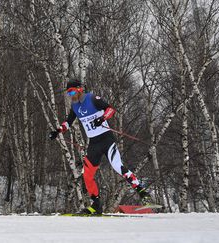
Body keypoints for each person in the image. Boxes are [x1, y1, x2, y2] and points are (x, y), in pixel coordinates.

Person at [49, 79, 151, 215]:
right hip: (93, 143)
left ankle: (144, 194)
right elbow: (68, 122)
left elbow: (110, 109)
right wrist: (57, 131)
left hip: (106, 139)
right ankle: (96, 206)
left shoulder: (92, 98)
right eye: (69, 93)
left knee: (118, 166)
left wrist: (102, 119)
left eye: (72, 91)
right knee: (87, 175)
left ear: (79, 89)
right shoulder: (74, 106)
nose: (71, 95)